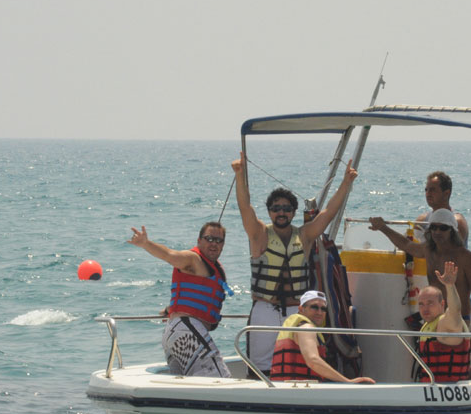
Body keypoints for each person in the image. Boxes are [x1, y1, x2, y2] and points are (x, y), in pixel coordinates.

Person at [231, 152, 358, 374]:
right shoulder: (258, 234)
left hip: (296, 309)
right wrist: (239, 175)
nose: (281, 212)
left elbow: (328, 213)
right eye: (276, 208)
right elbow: (245, 207)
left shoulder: (306, 236)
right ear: (269, 211)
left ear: (294, 212)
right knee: (260, 366)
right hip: (264, 309)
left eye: (287, 208)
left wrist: (346, 183)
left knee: (296, 361)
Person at [127, 222, 232, 378]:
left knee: (185, 385)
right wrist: (146, 244)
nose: (214, 244)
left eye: (219, 240)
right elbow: (170, 255)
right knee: (221, 380)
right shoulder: (193, 259)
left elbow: (193, 297)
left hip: (175, 333)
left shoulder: (212, 267)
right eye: (209, 238)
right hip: (187, 332)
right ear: (199, 241)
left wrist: (170, 310)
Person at [369, 208, 471, 342]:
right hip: (433, 320)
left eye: (443, 228)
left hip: (457, 321)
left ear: (452, 231)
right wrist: (383, 227)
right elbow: (406, 244)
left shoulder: (465, 257)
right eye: (433, 227)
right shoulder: (428, 250)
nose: (437, 232)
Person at [270, 291, 376, 384]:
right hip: (300, 390)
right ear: (301, 309)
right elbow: (313, 360)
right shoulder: (307, 328)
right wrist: (346, 381)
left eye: (323, 308)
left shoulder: (295, 327)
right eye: (314, 307)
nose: (319, 312)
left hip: (284, 386)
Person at [413, 262, 471, 382]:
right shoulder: (428, 325)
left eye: (430, 303)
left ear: (442, 304)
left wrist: (450, 286)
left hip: (449, 390)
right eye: (421, 304)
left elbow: (455, 311)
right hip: (429, 389)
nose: (425, 308)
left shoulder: (445, 322)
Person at [414, 171, 469, 245]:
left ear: (446, 194)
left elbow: (455, 251)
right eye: (426, 190)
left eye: (433, 190)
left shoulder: (457, 222)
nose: (428, 194)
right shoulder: (421, 221)